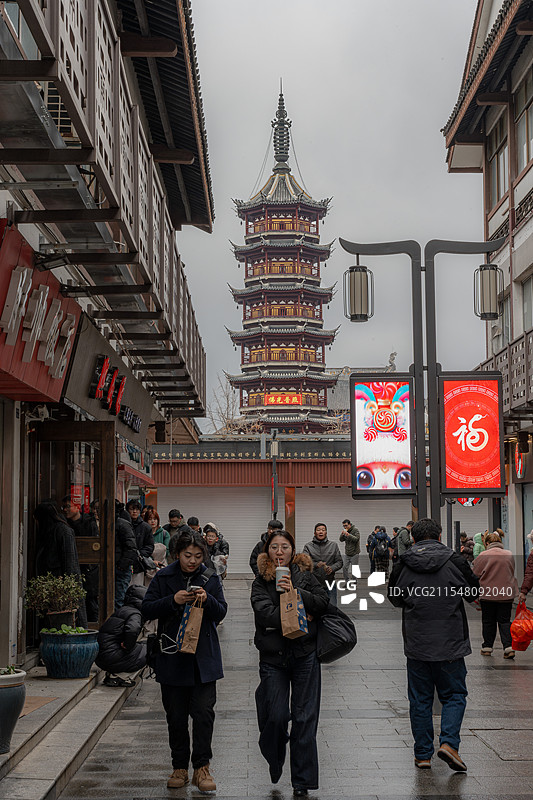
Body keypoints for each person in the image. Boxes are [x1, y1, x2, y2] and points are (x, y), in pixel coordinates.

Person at [388, 518, 480, 772]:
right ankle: (449, 743)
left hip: (417, 643)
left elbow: (394, 598)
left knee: (420, 699)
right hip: (450, 642)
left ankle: (423, 755)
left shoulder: (403, 563)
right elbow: (473, 592)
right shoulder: (455, 560)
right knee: (454, 695)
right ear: (439, 537)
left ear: (413, 539)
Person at [142, 531, 227, 792]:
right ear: (176, 554)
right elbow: (146, 608)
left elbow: (221, 611)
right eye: (187, 555)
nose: (192, 561)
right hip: (172, 657)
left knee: (203, 714)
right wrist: (173, 600)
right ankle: (179, 767)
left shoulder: (210, 577)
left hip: (204, 658)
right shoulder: (164, 577)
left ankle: (202, 768)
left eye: (198, 556)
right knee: (176, 716)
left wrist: (207, 599)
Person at [251, 529, 329, 797]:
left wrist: (297, 593)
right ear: (267, 552)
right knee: (276, 715)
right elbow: (264, 614)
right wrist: (294, 610)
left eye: (285, 546)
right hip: (273, 658)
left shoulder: (306, 576)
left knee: (305, 717)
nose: (280, 552)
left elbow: (323, 602)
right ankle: (274, 758)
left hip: (305, 654)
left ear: (293, 550)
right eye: (274, 547)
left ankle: (302, 781)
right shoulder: (261, 582)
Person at [34, 502, 87, 627]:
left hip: (60, 578)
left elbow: (70, 562)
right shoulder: (52, 531)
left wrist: (68, 584)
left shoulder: (62, 531)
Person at [472, 531, 518, 659]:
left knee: (488, 621)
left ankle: (487, 647)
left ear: (487, 543)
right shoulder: (509, 554)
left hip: (488, 594)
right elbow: (512, 570)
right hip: (506, 593)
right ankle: (508, 648)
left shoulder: (484, 555)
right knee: (504, 621)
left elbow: (475, 573)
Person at [96, 585, 147, 687]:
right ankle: (121, 676)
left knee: (142, 645)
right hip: (111, 656)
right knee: (151, 649)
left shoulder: (123, 610)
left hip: (101, 657)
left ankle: (113, 675)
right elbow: (132, 630)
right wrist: (128, 645)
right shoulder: (135, 614)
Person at [62, 496, 100, 621]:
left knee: (90, 601)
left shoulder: (89, 522)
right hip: (72, 566)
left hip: (89, 569)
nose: (65, 510)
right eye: (64, 507)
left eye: (68, 506)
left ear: (77, 507)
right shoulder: (64, 524)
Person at [303, 523, 343, 606]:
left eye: (323, 530)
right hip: (313, 584)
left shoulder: (333, 545)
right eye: (318, 530)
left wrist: (332, 568)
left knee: (332, 608)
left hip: (329, 582)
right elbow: (304, 563)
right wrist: (316, 565)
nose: (321, 532)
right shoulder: (308, 546)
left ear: (326, 533)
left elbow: (339, 562)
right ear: (314, 533)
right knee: (315, 608)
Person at [126, 499, 154, 586]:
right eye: (132, 509)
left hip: (139, 565)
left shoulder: (145, 527)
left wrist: (139, 555)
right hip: (124, 564)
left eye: (137, 509)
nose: (134, 511)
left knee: (137, 590)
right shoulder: (122, 525)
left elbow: (149, 546)